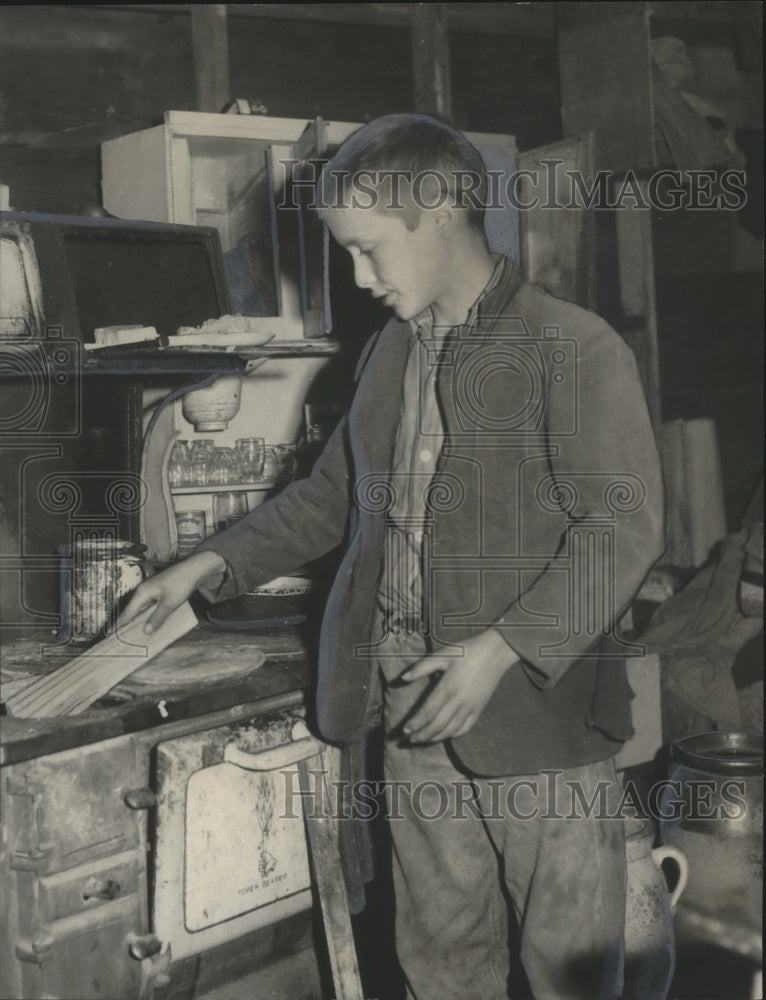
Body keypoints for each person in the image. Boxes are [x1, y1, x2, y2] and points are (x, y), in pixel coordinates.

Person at [122, 113, 665, 1000]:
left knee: (572, 970)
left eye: (370, 250)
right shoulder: (391, 352)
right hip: (410, 698)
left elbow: (625, 528)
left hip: (536, 717)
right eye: (347, 253)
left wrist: (499, 651)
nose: (357, 277)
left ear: (447, 209)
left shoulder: (571, 345)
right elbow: (332, 496)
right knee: (442, 958)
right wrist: (212, 565)